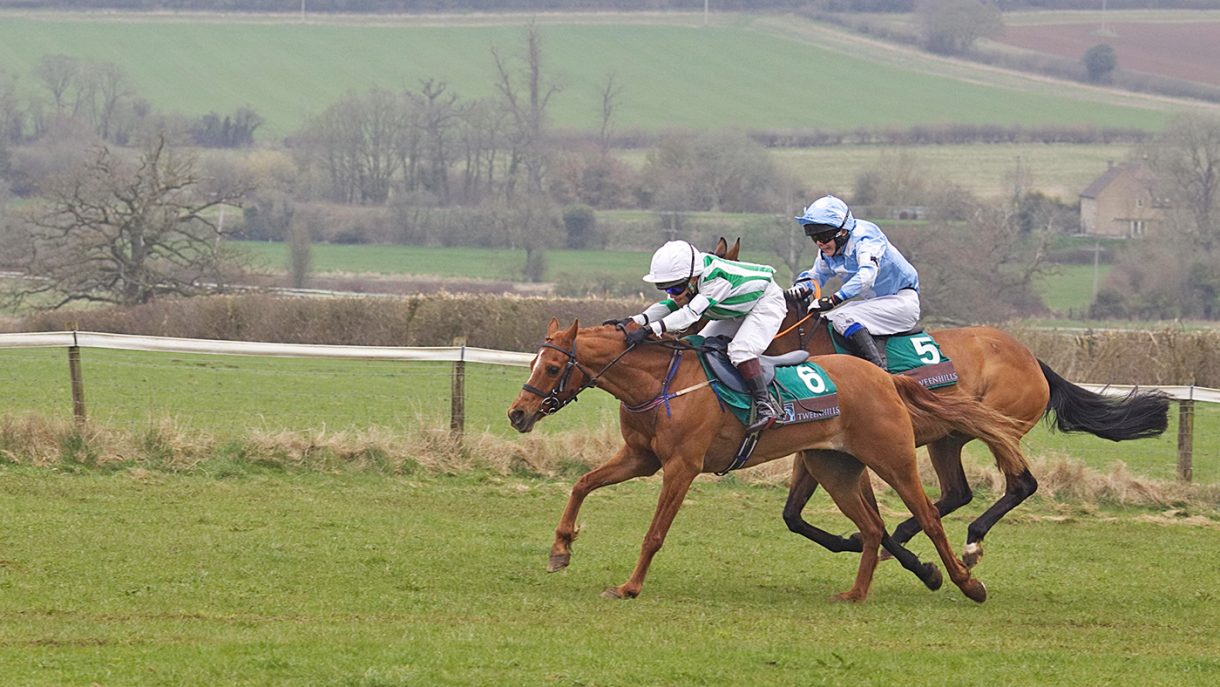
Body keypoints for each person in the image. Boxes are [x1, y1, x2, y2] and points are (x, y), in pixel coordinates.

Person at [621, 239, 787, 432]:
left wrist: (649, 330)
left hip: (765, 303)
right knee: (698, 344)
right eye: (665, 288)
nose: (672, 294)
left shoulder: (716, 280)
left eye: (675, 289)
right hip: (735, 307)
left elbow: (689, 315)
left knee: (740, 351)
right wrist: (634, 321)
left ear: (692, 278)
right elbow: (669, 306)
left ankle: (767, 406)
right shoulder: (687, 278)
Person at [787, 195, 920, 369]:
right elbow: (815, 276)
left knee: (842, 317)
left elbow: (866, 276)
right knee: (828, 318)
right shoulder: (829, 252)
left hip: (902, 303)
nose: (820, 243)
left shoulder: (866, 238)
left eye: (824, 236)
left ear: (843, 231)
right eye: (815, 237)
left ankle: (878, 370)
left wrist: (834, 299)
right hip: (877, 304)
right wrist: (799, 289)